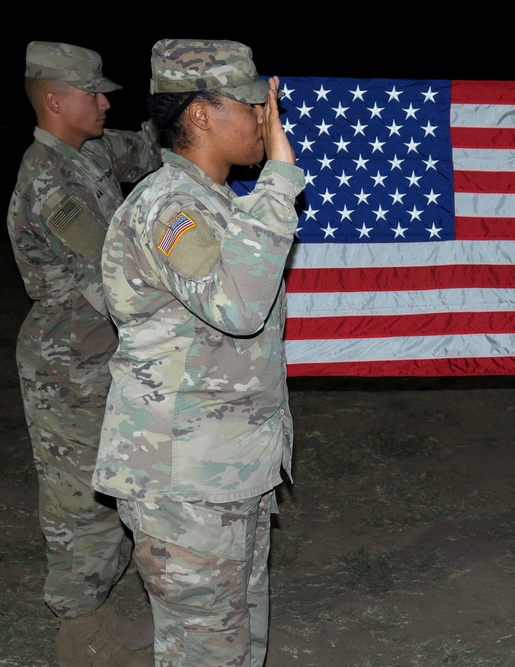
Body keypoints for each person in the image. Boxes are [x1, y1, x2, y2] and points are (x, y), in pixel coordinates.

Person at [90, 39, 303, 667]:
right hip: (183, 479)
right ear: (202, 114)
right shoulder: (169, 208)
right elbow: (237, 305)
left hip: (228, 468)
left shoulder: (210, 201)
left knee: (237, 644)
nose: (266, 118)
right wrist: (279, 184)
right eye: (251, 103)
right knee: (206, 653)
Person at [7, 41, 162, 667]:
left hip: (104, 355)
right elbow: (115, 274)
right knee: (81, 504)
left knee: (119, 487)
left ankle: (99, 613)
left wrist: (188, 104)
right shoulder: (49, 182)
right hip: (67, 367)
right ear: (54, 100)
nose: (103, 102)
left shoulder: (90, 151)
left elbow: (150, 147)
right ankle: (79, 631)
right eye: (92, 93)